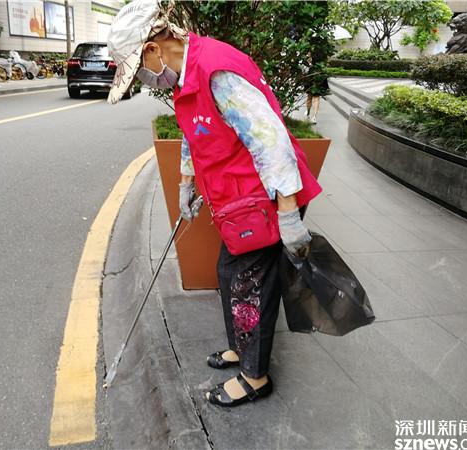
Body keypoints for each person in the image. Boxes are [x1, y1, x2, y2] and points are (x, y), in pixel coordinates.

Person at [107, 0, 322, 408]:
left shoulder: (216, 71)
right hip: (236, 200)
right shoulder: (185, 75)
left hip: (264, 198)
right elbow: (194, 133)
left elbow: (271, 141)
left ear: (153, 48)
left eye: (138, 70)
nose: (144, 80)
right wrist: (186, 183)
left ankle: (255, 377)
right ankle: (242, 348)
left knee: (250, 286)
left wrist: (289, 214)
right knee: (230, 272)